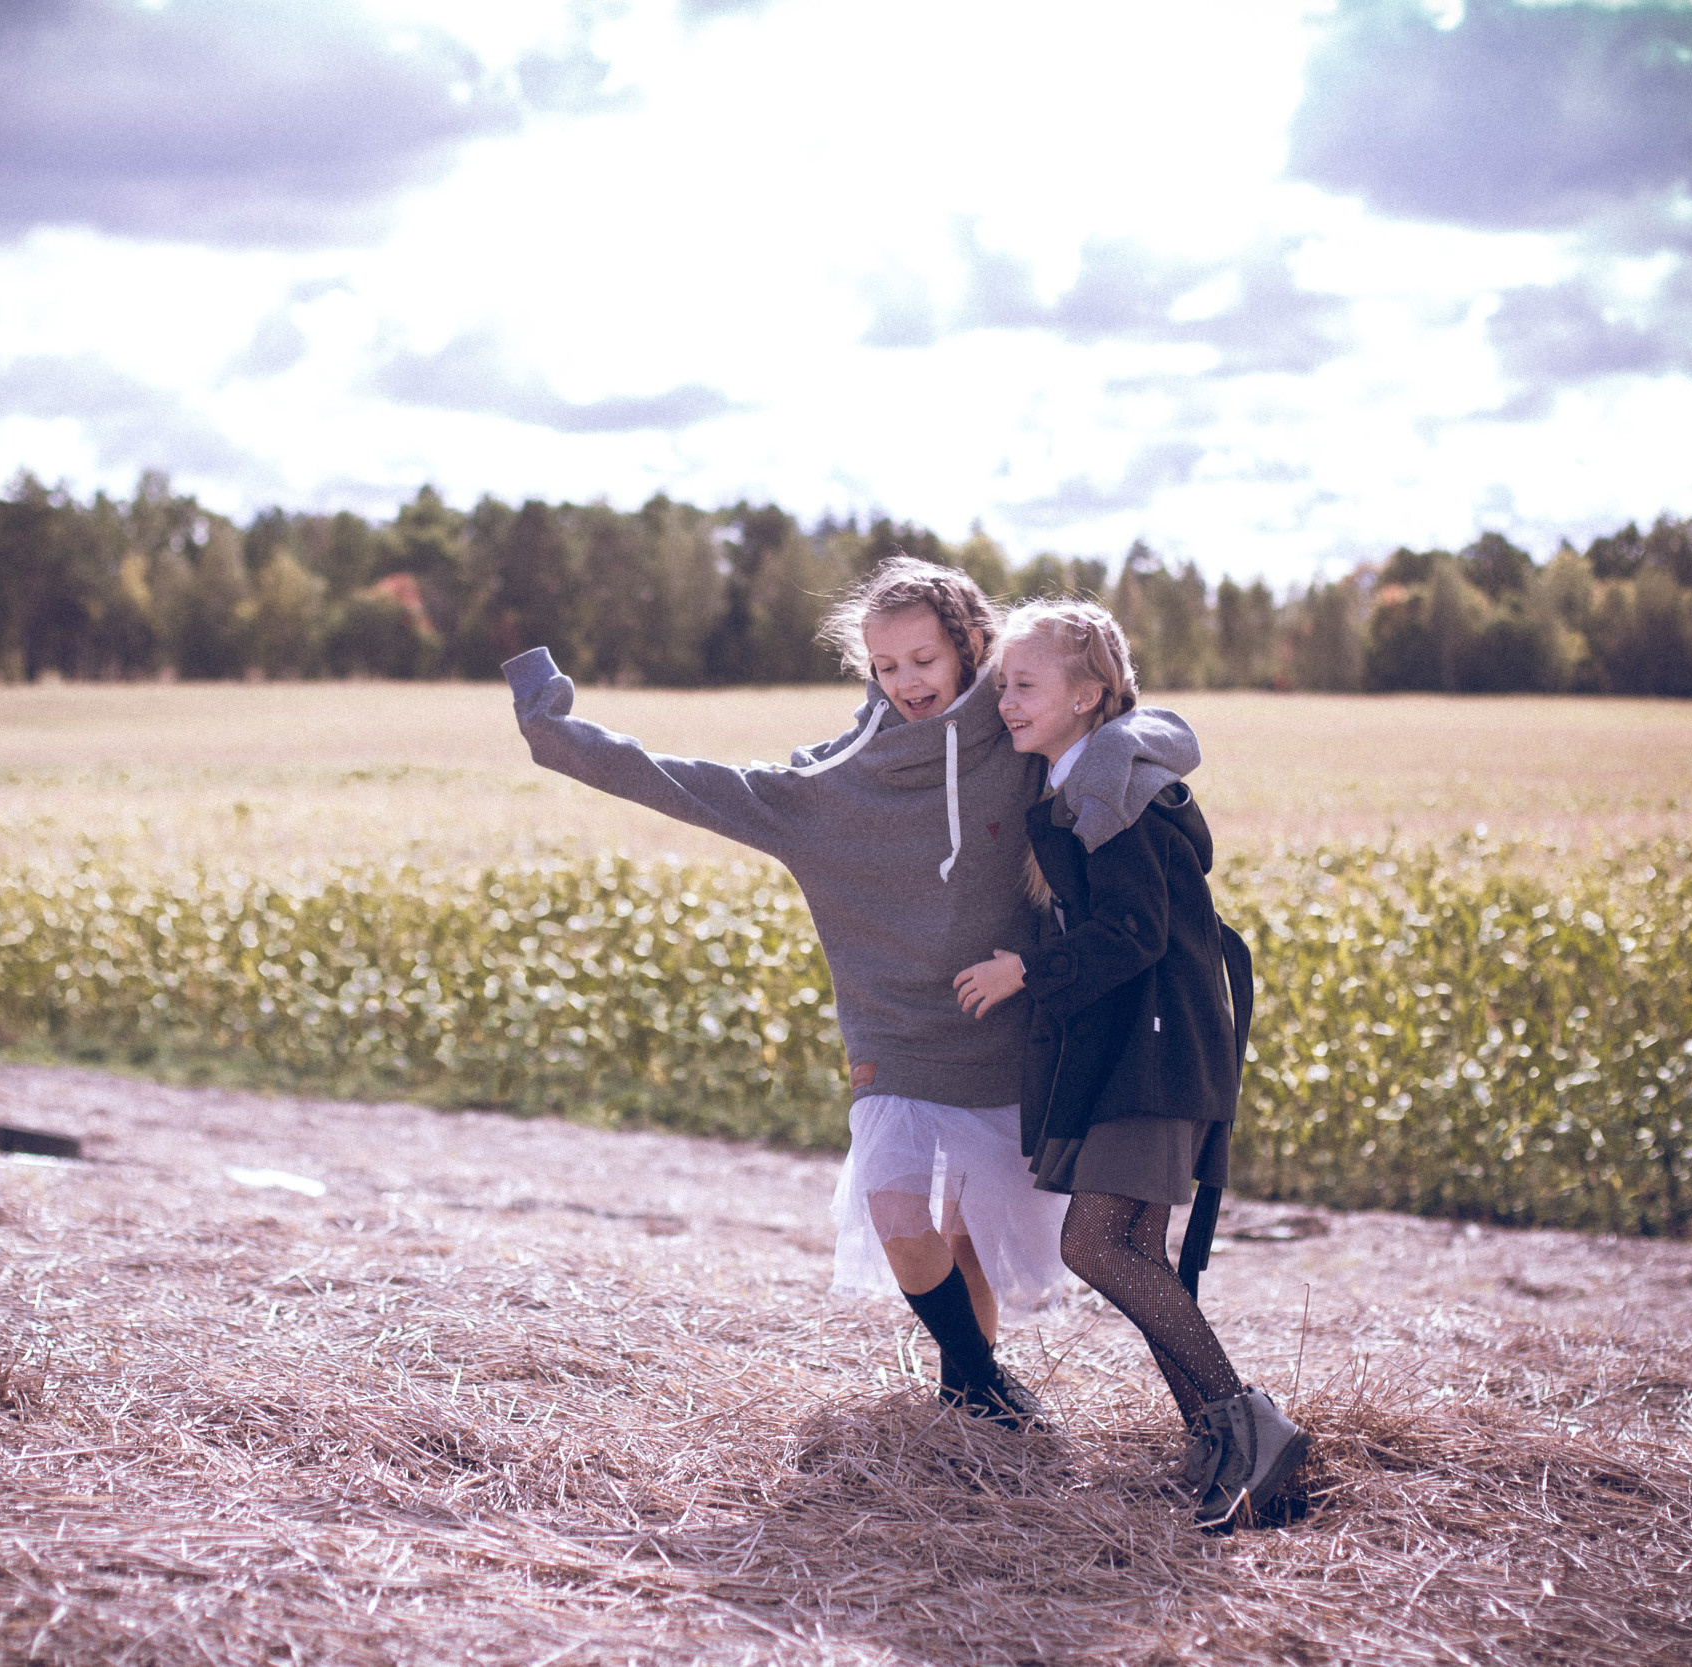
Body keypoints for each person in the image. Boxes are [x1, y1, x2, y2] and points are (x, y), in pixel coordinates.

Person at [501, 557, 1198, 1429]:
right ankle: (980, 1378)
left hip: (1012, 1033)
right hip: (893, 1035)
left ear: (970, 645)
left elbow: (1133, 726)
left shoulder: (1017, 730)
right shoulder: (830, 788)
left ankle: (975, 1403)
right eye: (886, 664)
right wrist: (557, 734)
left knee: (971, 1237)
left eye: (924, 660)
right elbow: (684, 781)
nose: (906, 681)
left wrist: (1140, 757)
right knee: (898, 1214)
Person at [953, 598, 1308, 1526]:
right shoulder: (1088, 780)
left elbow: (1138, 931)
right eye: (1004, 687)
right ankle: (1222, 1448)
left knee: (1096, 1245)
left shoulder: (1117, 791)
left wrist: (1028, 968)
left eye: (1024, 684)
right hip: (1150, 1050)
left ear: (1088, 694)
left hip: (1157, 1054)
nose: (1007, 702)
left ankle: (1251, 1424)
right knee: (1134, 1249)